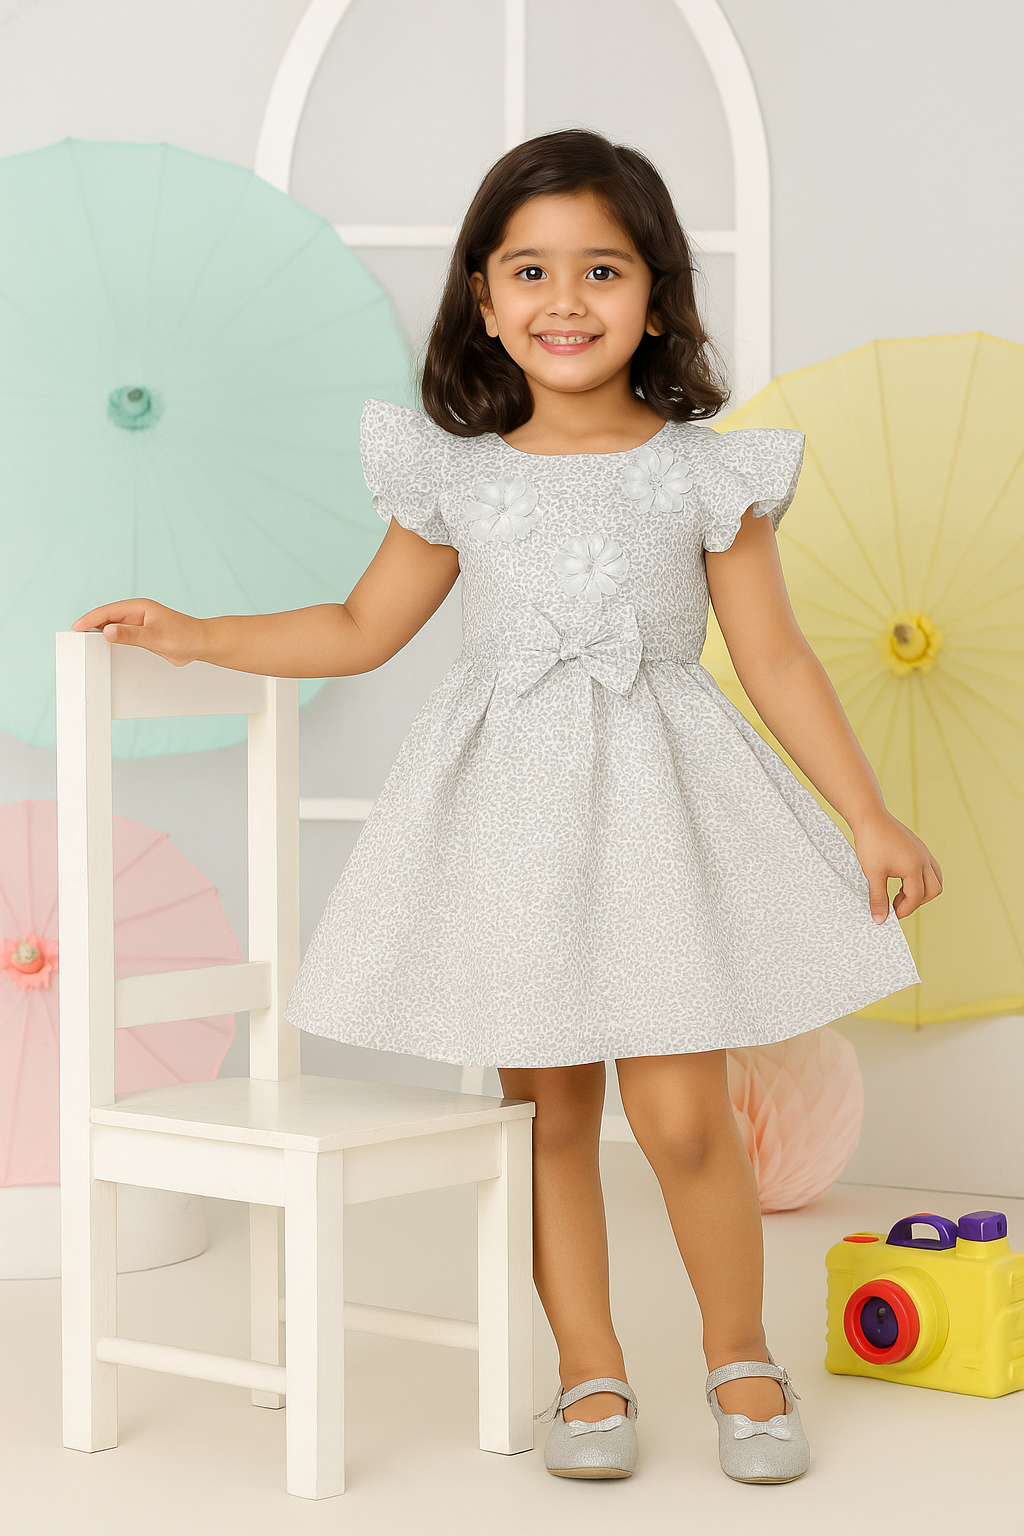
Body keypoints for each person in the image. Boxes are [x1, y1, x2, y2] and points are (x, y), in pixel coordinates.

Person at [73, 128, 943, 1485]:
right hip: (514, 826)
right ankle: (589, 1372)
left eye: (602, 269)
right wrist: (200, 634)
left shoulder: (703, 473)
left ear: (655, 291)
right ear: (482, 297)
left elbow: (772, 657)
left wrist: (868, 817)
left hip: (663, 819)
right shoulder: (461, 475)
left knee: (681, 1115)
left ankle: (738, 1352)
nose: (566, 300)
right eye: (530, 270)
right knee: (548, 1112)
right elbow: (360, 628)